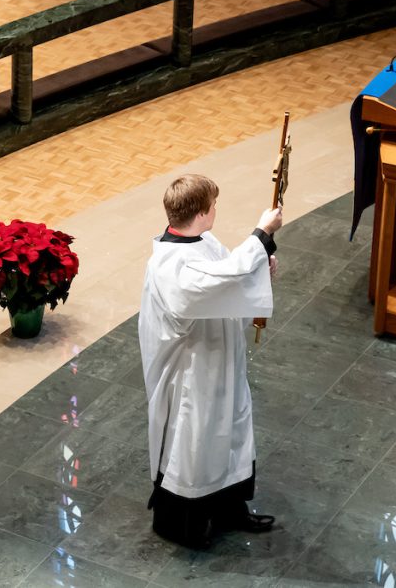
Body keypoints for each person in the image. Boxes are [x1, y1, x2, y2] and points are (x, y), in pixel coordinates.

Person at [138, 174, 282, 549]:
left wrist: (258, 273)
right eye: (214, 205)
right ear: (202, 212)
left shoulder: (203, 241)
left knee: (231, 430)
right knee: (197, 441)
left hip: (221, 360)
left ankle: (230, 509)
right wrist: (262, 233)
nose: (216, 210)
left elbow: (229, 278)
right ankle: (183, 525)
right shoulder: (170, 266)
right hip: (193, 373)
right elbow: (218, 279)